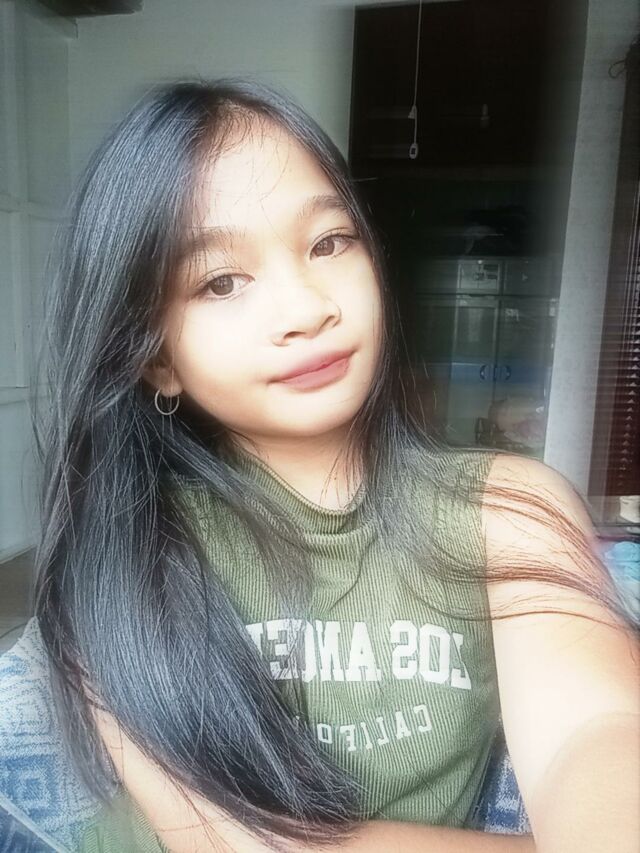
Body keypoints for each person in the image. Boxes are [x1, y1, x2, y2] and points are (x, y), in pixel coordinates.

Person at [6, 80, 639, 852]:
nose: (307, 309)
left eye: (329, 242)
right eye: (221, 282)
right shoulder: (124, 552)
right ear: (157, 359)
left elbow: (594, 734)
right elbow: (236, 844)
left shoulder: (508, 511)